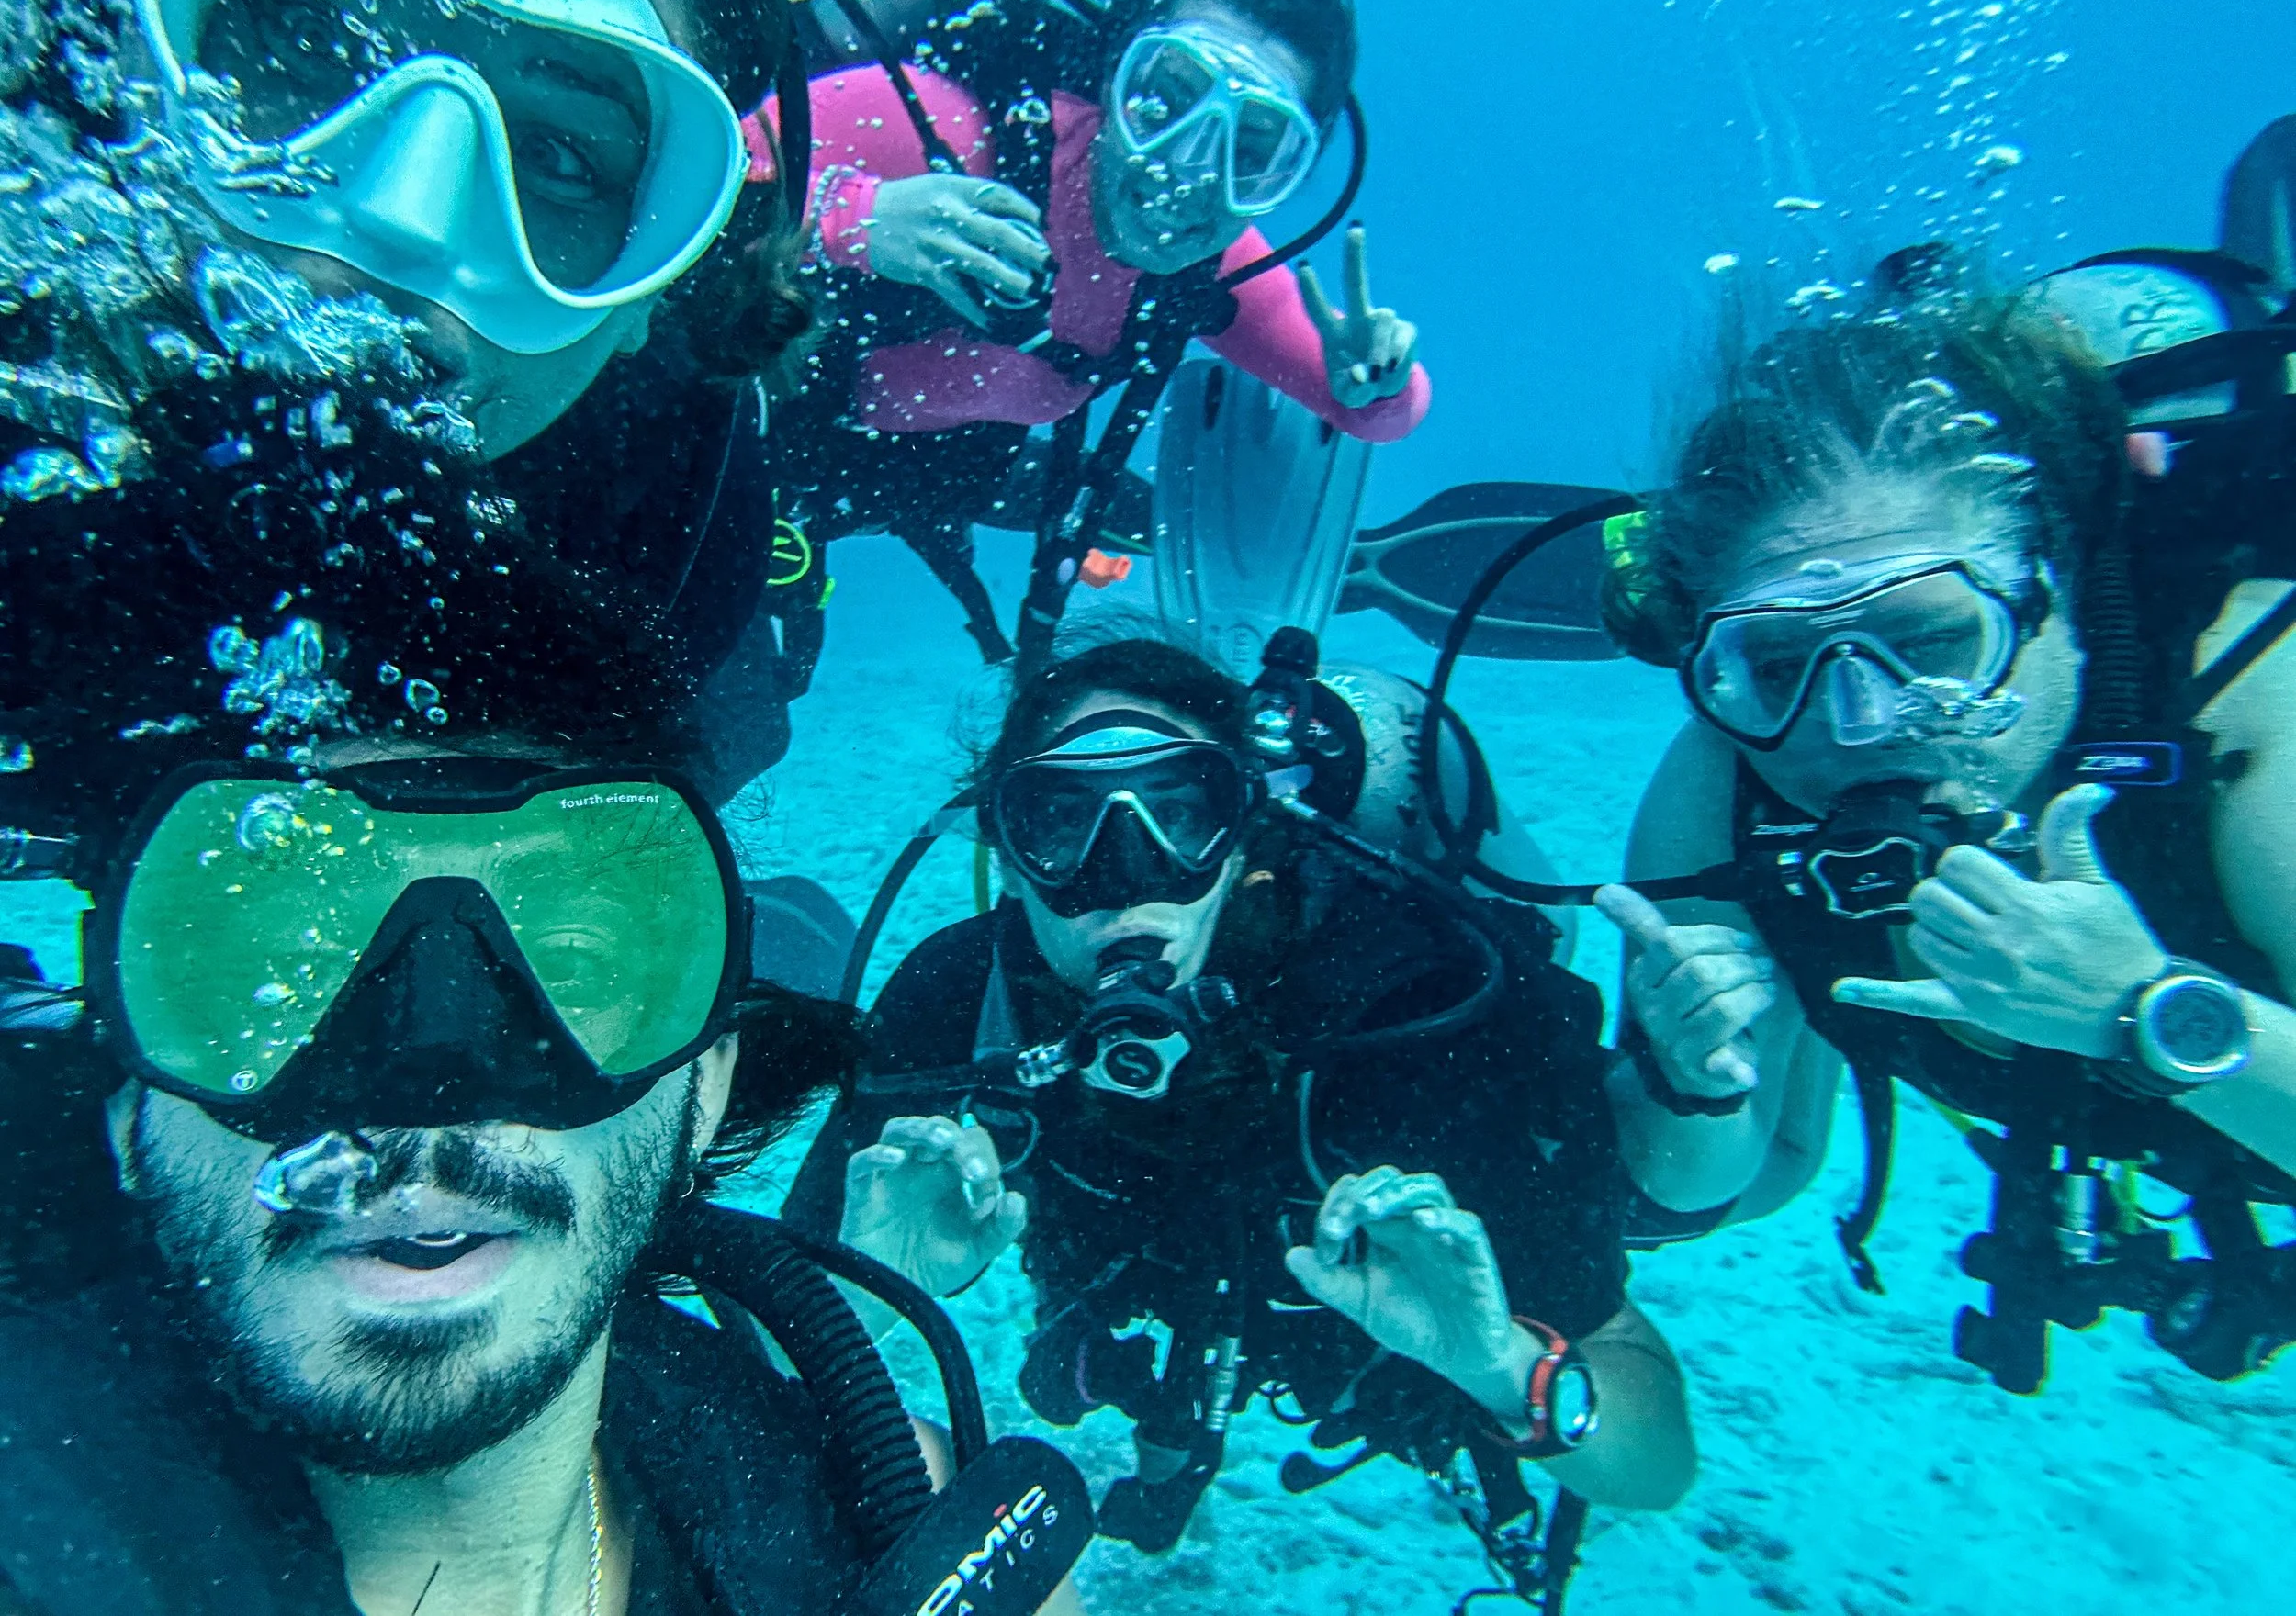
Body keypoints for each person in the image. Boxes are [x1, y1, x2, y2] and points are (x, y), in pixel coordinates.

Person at [0, 241, 1087, 1612]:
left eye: (568, 965)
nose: (427, 1081)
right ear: (124, 1096)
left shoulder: (889, 1516)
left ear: (704, 1091)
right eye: (282, 972)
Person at [786, 634, 1694, 1566]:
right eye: (1061, 823)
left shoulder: (1410, 1019)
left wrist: (1503, 1368)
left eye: (1180, 813)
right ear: (1009, 859)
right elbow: (762, 1338)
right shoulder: (955, 1006)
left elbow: (1657, 1461)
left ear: (1242, 833)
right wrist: (863, 1288)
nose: (1125, 874)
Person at [1592, 290, 2296, 1393]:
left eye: (1925, 638)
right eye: (1779, 663)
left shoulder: (2251, 716)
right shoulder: (1725, 778)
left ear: (2051, 592)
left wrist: (2143, 1013)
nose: (1856, 722)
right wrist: (1695, 1084)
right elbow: (1741, 1180)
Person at [8, 0, 817, 801]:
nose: (403, 220)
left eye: (558, 155)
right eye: (306, 31)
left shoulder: (666, 533)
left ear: (649, 295)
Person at [733, 0, 1429, 696]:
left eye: (1254, 145)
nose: (1189, 170)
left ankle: (1353, 574)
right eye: (1166, 97)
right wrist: (854, 218)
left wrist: (1373, 377)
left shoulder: (1216, 264)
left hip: (943, 471)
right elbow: (681, 184)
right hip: (759, 445)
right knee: (739, 724)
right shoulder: (951, 134)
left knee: (1101, 512)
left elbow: (1380, 412)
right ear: (1114, 73)